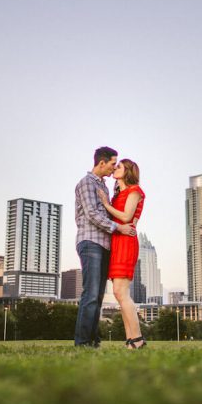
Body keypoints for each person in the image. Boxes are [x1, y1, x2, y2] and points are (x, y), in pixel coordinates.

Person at [74, 146, 137, 347]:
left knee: (98, 295)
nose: (113, 168)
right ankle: (83, 342)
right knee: (90, 294)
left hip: (104, 245)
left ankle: (93, 340)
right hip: (90, 242)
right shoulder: (86, 183)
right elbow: (92, 214)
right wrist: (119, 228)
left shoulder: (103, 186)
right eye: (112, 164)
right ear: (101, 163)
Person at [99, 158, 147, 349]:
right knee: (120, 294)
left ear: (127, 171)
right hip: (116, 242)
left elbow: (127, 217)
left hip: (126, 241)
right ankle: (131, 340)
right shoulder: (117, 194)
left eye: (118, 166)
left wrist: (105, 204)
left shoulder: (134, 191)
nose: (115, 168)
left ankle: (137, 339)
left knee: (121, 292)